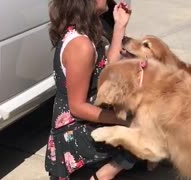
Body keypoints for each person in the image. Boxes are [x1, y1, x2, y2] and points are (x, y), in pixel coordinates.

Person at [45, 0, 136, 179]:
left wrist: (119, 26)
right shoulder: (81, 45)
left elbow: (106, 68)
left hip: (84, 122)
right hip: (75, 133)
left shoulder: (84, 32)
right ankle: (102, 174)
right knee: (144, 132)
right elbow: (77, 108)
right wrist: (124, 121)